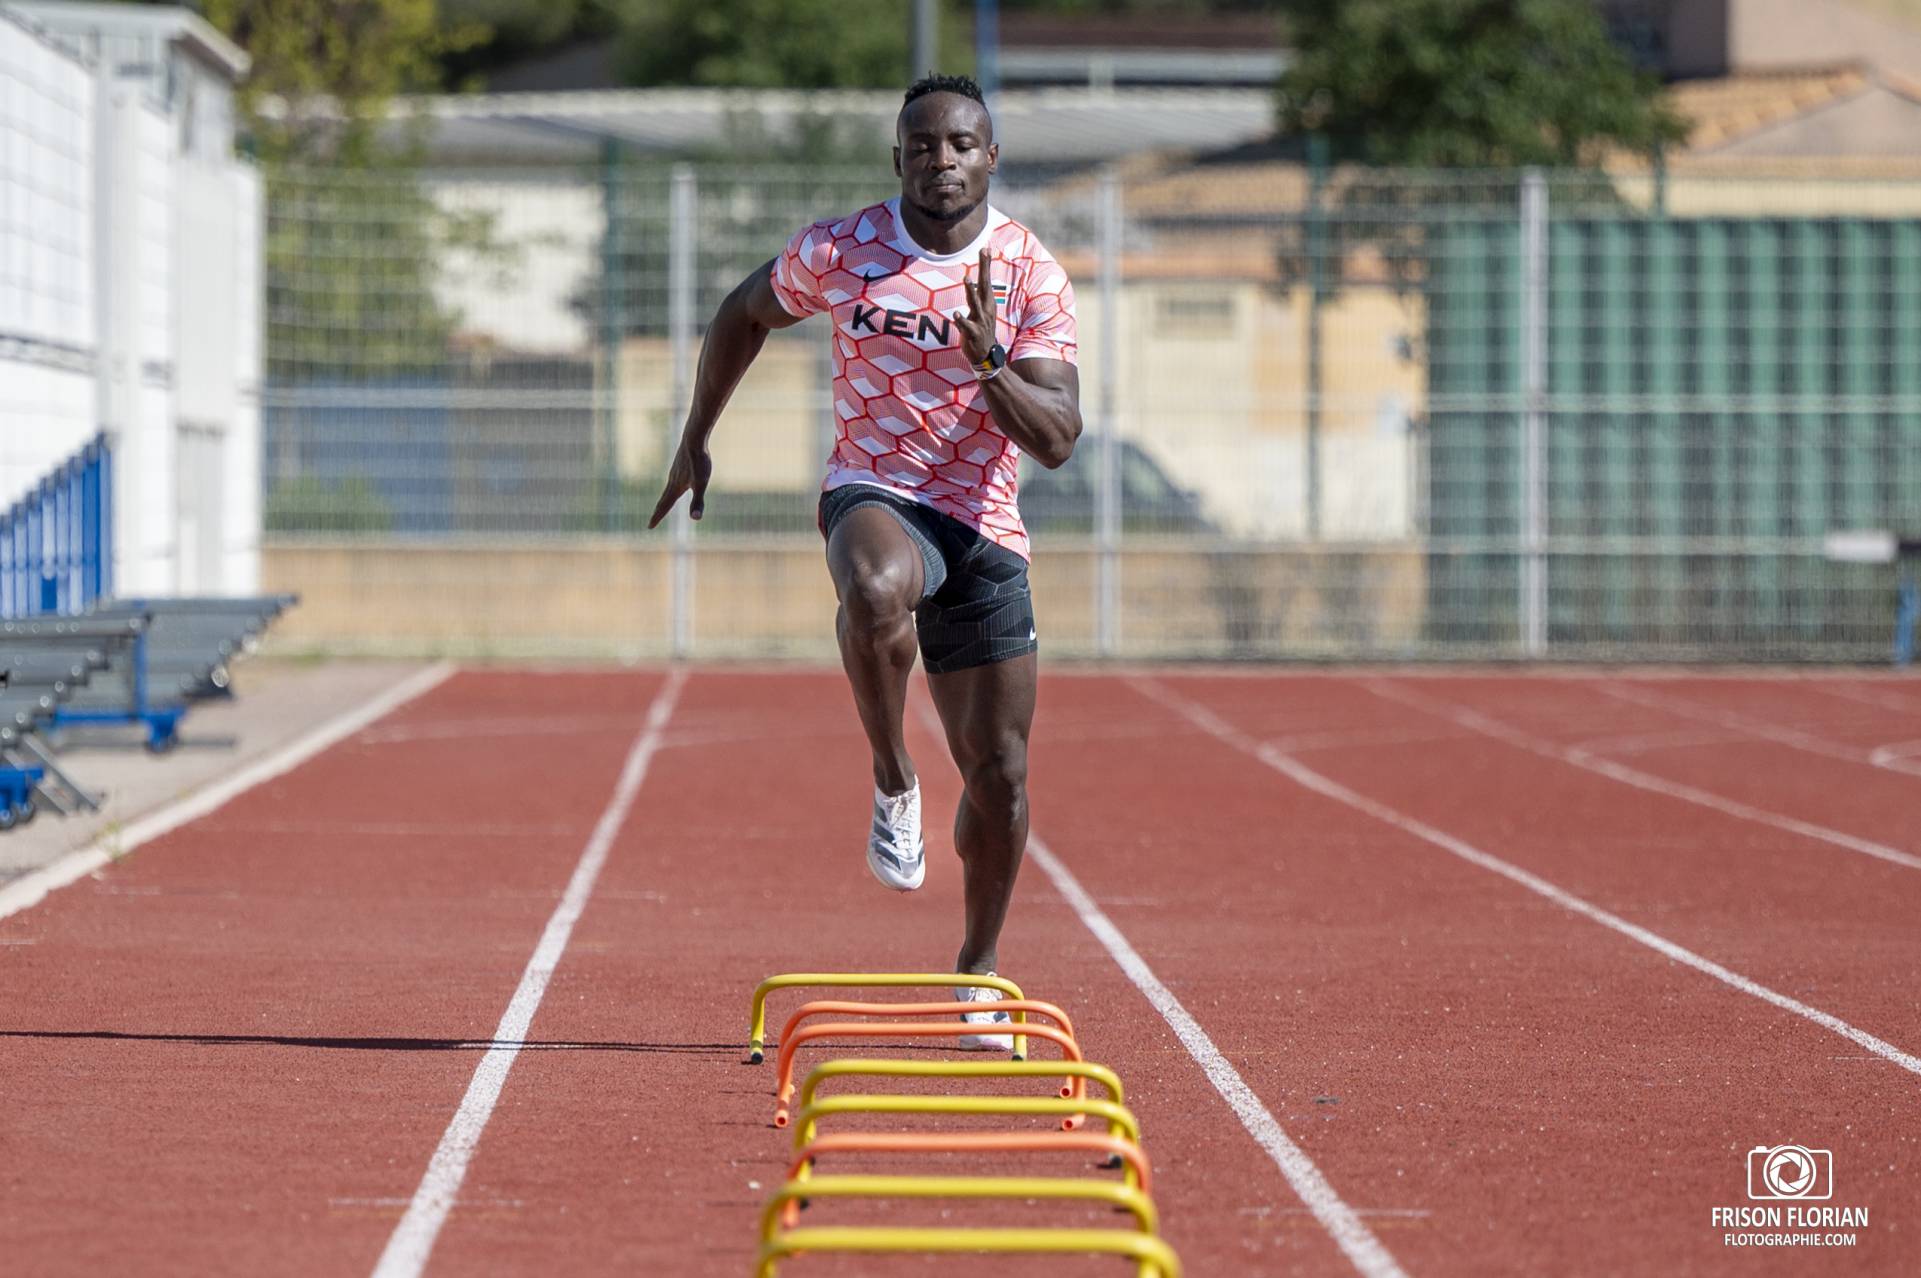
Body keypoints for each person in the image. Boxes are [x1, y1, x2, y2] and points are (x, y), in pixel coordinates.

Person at [648, 74, 1081, 1048]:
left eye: (962, 144)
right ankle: (892, 776)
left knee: (1002, 776)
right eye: (922, 145)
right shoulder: (846, 250)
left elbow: (1056, 436)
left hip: (982, 523)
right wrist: (695, 436)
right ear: (898, 158)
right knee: (877, 587)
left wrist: (988, 367)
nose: (942, 160)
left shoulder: (1028, 272)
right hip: (876, 490)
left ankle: (977, 969)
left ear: (991, 156)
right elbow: (742, 311)